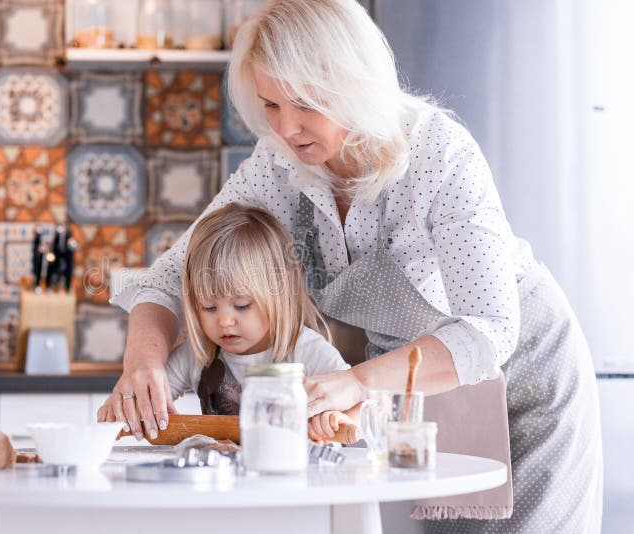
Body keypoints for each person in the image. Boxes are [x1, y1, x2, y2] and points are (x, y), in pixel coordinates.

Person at [105, 1, 602, 532]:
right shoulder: (279, 163)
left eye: (305, 102)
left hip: (524, 377)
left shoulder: (439, 153)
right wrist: (144, 360)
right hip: (414, 388)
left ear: (353, 81)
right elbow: (167, 275)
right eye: (271, 105)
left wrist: (358, 384)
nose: (287, 127)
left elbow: (490, 330)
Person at [97, 204, 350, 425]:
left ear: (280, 294)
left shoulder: (307, 350)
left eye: (241, 306)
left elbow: (353, 406)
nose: (225, 321)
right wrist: (126, 407)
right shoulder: (198, 356)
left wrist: (334, 419)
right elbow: (149, 397)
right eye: (208, 307)